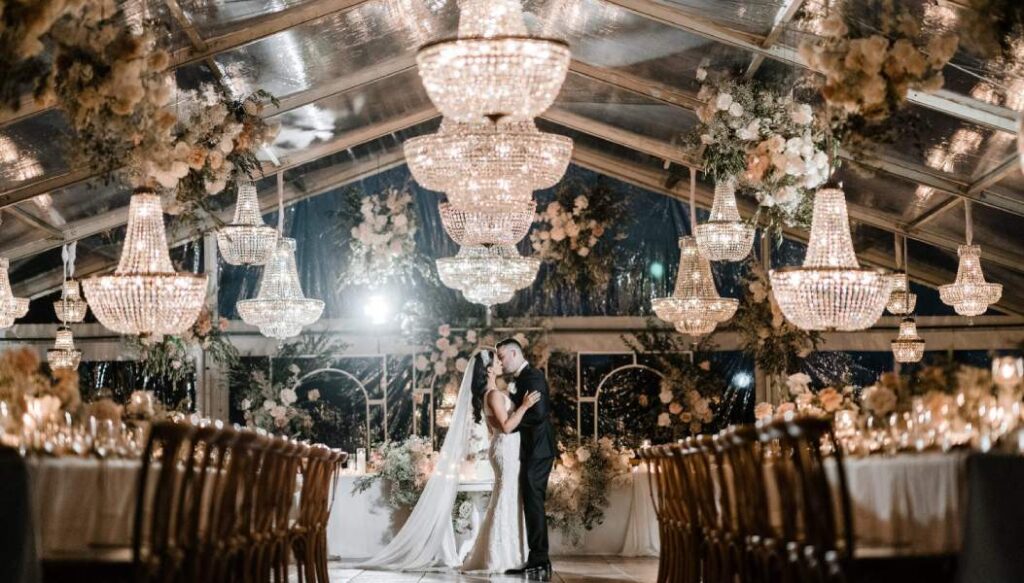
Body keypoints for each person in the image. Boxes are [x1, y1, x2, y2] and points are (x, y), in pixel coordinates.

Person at [461, 350, 541, 573]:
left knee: (506, 496)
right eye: (497, 361)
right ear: (489, 369)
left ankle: (510, 551)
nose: (502, 363)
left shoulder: (490, 394)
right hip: (505, 448)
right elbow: (506, 427)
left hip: (503, 447)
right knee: (507, 497)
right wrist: (524, 406)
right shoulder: (493, 395)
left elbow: (493, 428)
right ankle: (502, 555)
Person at [497, 338, 556, 581]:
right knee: (530, 503)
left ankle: (540, 560)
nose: (500, 362)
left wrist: (512, 422)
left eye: (502, 357)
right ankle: (537, 558)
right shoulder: (522, 379)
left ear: (513, 353)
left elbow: (539, 414)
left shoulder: (532, 377)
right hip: (531, 450)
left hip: (539, 450)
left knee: (534, 503)